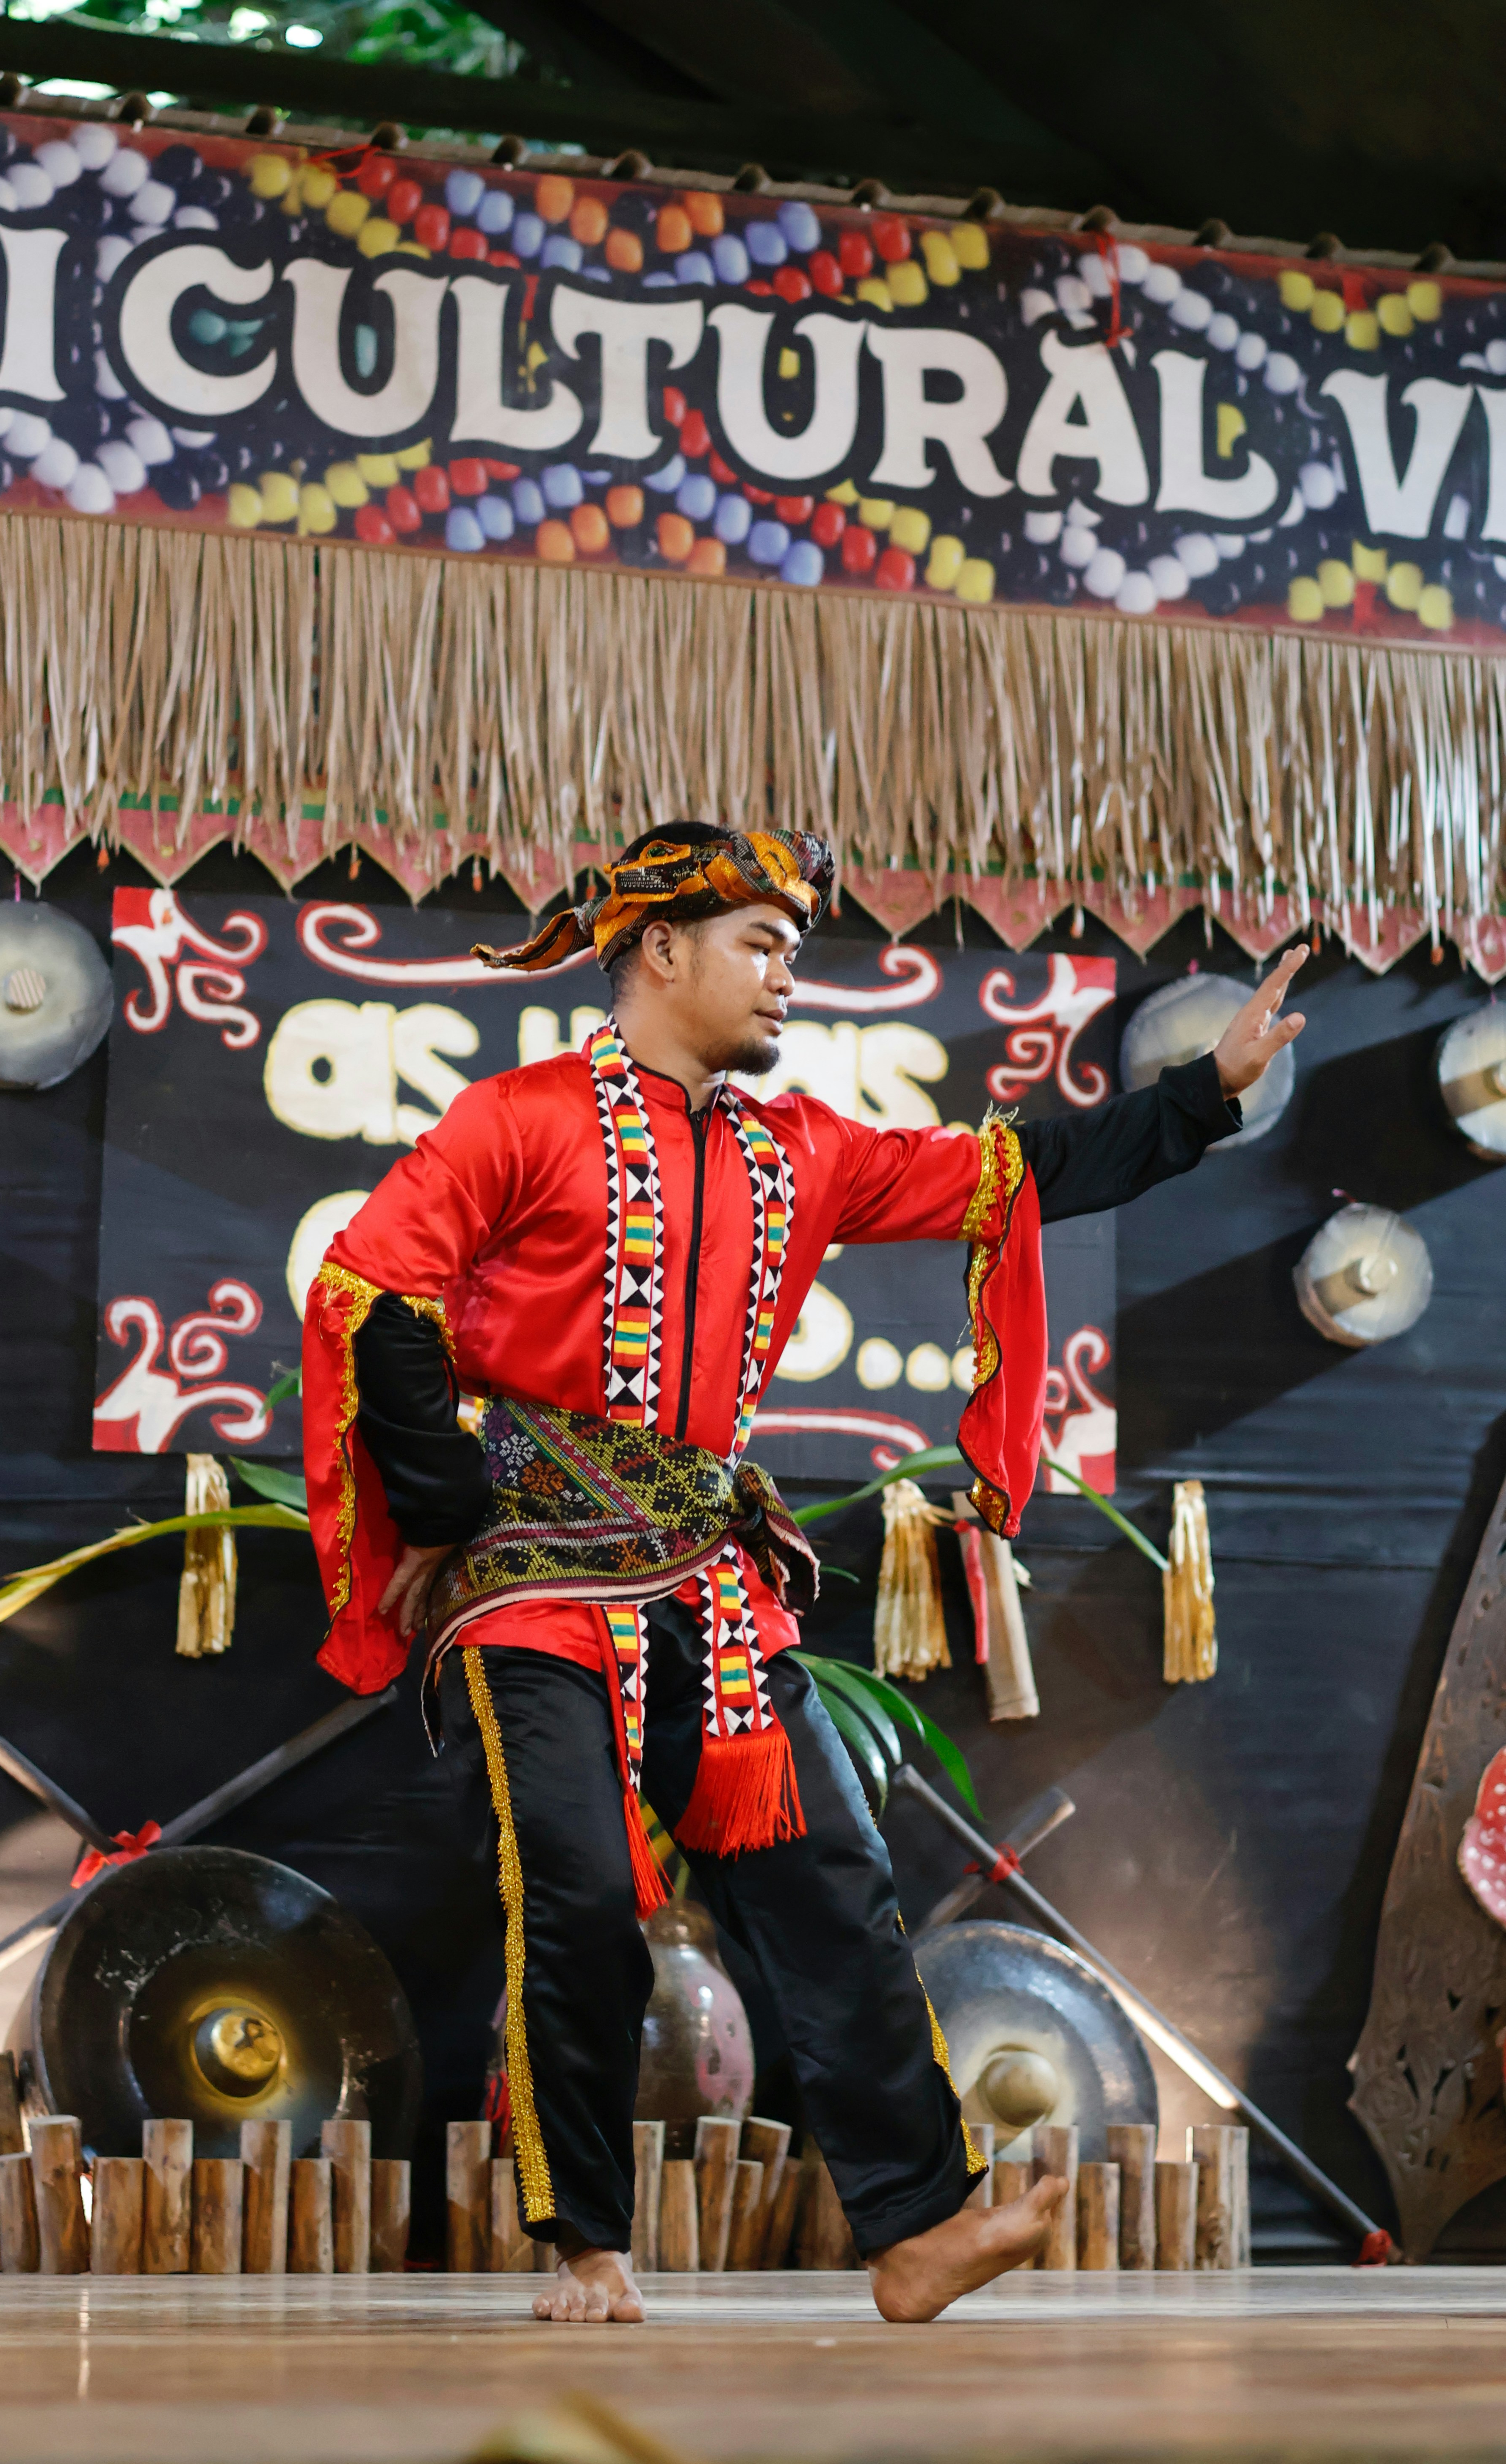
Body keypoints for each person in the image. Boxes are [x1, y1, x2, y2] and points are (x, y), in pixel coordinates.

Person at [302, 822, 1306, 2325]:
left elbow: (1015, 1170)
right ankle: (585, 2242)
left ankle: (918, 2228)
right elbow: (379, 1289)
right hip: (535, 1583)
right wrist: (440, 1508)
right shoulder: (519, 1120)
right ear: (661, 950)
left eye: (794, 949)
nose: (789, 974)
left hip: (711, 1584)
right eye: (761, 944)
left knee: (831, 1880)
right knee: (578, 1887)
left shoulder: (799, 1151)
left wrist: (1202, 1092)